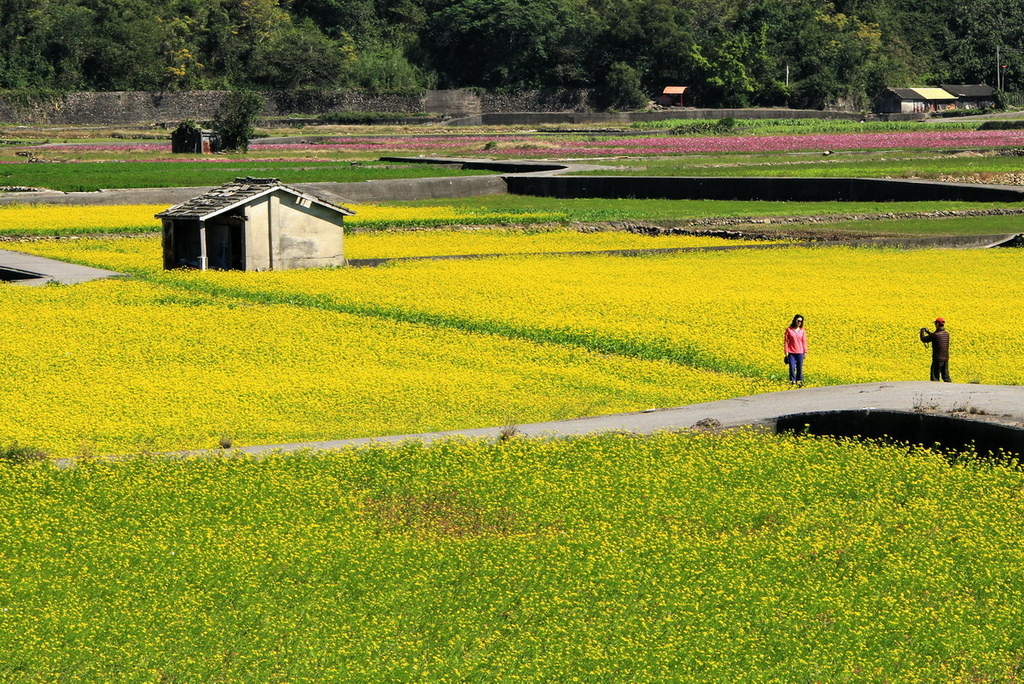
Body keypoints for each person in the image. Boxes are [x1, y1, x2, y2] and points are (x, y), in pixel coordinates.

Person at [919, 318, 951, 382]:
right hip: (945, 358)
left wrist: (922, 331)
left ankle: (935, 390)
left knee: (935, 377)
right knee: (946, 376)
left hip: (937, 359)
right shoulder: (947, 334)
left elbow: (924, 339)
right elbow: (935, 336)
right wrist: (928, 332)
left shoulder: (935, 335)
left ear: (937, 324)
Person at [783, 314, 807, 385]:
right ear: (795, 320)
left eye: (801, 321)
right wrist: (786, 351)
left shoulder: (802, 331)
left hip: (800, 352)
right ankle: (792, 381)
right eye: (798, 321)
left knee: (799, 368)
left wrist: (805, 352)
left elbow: (804, 341)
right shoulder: (789, 330)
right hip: (791, 352)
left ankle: (799, 381)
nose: (799, 322)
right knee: (792, 367)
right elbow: (786, 341)